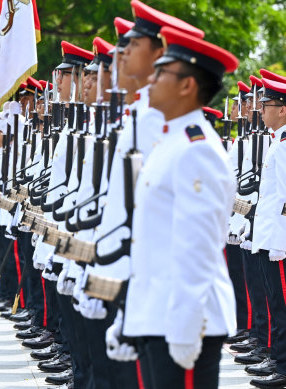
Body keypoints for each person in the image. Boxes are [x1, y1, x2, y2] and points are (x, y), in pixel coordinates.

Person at [123, 26, 239, 388]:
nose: (151, 80)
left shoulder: (197, 149)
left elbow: (198, 251)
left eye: (162, 73)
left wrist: (186, 329)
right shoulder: (170, 141)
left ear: (187, 86)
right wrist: (132, 317)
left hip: (184, 323)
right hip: (158, 315)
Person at [248, 77, 286, 388]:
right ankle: (277, 358)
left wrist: (281, 241)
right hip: (268, 235)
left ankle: (283, 365)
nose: (261, 110)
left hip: (279, 239)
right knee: (275, 301)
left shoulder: (285, 145)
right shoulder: (277, 141)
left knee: (281, 305)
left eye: (268, 105)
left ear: (283, 110)